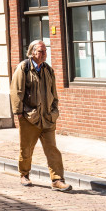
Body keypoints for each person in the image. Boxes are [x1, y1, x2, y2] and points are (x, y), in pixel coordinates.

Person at [11, 40, 71, 191]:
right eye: (41, 51)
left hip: (48, 118)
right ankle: (24, 174)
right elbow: (16, 92)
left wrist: (54, 111)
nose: (44, 54)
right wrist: (19, 113)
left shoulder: (48, 70)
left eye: (45, 51)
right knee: (26, 149)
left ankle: (57, 180)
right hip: (29, 117)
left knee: (52, 149)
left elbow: (54, 94)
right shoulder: (23, 68)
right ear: (32, 52)